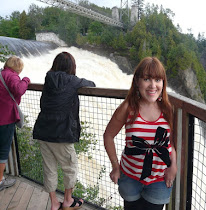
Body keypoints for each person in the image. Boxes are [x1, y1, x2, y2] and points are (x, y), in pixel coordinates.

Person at [103, 57, 177, 210]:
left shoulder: (167, 109)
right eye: (146, 79)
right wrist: (115, 167)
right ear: (137, 81)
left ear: (163, 83)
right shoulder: (128, 108)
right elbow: (108, 136)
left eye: (158, 79)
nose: (153, 85)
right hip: (130, 177)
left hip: (159, 179)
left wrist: (173, 166)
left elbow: (168, 143)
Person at [33, 52, 96, 210]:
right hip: (61, 133)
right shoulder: (74, 81)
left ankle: (54, 203)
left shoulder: (48, 78)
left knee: (49, 168)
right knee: (70, 166)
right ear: (72, 67)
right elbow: (92, 84)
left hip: (43, 130)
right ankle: (68, 200)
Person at [0, 56, 30, 191]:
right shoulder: (11, 76)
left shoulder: (1, 74)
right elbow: (19, 90)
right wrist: (26, 80)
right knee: (3, 150)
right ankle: (0, 181)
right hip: (5, 119)